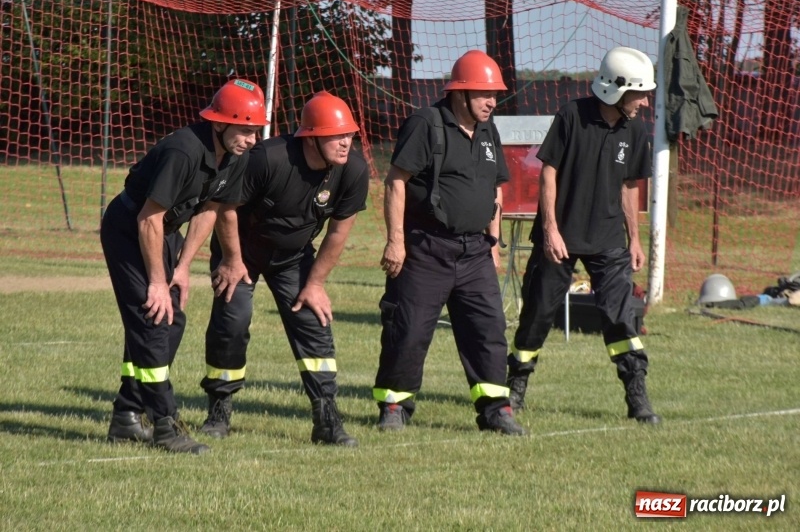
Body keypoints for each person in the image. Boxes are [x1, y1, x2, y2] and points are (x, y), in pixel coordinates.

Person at [101, 79, 267, 454]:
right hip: (131, 228)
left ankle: (127, 416)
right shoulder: (183, 150)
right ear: (219, 124)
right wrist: (157, 283)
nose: (252, 139)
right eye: (245, 130)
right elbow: (148, 218)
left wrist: (182, 269)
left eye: (256, 131)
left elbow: (210, 209)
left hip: (166, 230)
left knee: (172, 320)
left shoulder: (236, 156)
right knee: (154, 317)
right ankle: (165, 424)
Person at [200, 91, 369, 446]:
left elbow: (339, 230)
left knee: (313, 321)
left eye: (349, 134)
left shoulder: (353, 169)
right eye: (337, 135)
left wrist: (316, 284)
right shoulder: (269, 158)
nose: (345, 143)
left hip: (293, 257)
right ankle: (219, 409)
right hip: (241, 251)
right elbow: (224, 207)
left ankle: (326, 418)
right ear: (311, 136)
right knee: (233, 319)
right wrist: (231, 261)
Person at [372, 49, 526, 435]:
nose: (492, 101)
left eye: (495, 93)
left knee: (488, 329)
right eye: (484, 93)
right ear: (460, 93)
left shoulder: (488, 129)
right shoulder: (426, 124)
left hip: (475, 252)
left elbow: (495, 190)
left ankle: (495, 409)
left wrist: (492, 243)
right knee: (409, 328)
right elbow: (395, 182)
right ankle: (395, 406)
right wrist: (396, 242)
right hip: (426, 248)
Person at [505, 46, 662, 424]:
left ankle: (636, 396)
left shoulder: (636, 129)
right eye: (639, 93)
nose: (643, 102)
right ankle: (517, 384)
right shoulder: (571, 116)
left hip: (608, 240)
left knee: (621, 316)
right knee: (538, 314)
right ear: (616, 89)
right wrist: (551, 231)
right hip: (559, 238)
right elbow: (548, 173)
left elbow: (628, 186)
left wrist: (634, 240)